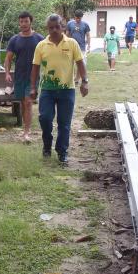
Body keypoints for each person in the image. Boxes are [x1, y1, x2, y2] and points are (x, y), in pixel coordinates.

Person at [30, 15, 89, 164]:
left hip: (67, 89)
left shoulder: (71, 43)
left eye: (57, 26)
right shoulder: (41, 46)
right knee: (45, 118)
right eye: (51, 27)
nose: (54, 30)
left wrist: (84, 82)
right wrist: (33, 88)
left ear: (63, 27)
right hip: (47, 90)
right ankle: (47, 145)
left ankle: (62, 152)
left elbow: (80, 63)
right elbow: (35, 68)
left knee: (64, 123)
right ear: (47, 28)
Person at [4, 12, 44, 142]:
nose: (23, 24)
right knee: (23, 103)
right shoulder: (14, 40)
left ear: (31, 22)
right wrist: (7, 73)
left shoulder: (39, 39)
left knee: (28, 102)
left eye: (26, 21)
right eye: (21, 22)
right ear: (19, 23)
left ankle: (27, 132)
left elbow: (48, 55)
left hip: (33, 77)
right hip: (19, 76)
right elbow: (8, 59)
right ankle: (25, 127)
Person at [66, 10, 91, 84]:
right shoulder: (70, 23)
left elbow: (88, 35)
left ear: (81, 17)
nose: (78, 19)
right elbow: (67, 34)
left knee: (82, 64)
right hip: (71, 47)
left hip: (81, 47)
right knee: (70, 63)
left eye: (79, 18)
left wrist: (89, 45)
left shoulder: (85, 25)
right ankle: (70, 79)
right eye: (77, 18)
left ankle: (76, 79)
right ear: (74, 17)